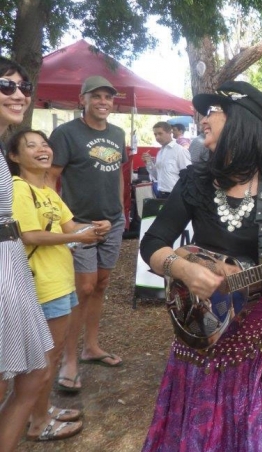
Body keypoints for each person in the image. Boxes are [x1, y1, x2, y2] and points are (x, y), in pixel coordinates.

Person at [140, 81, 262, 451]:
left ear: (240, 122)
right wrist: (183, 270)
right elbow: (152, 242)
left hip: (260, 339)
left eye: (213, 113)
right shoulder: (196, 181)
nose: (203, 121)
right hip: (202, 330)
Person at [7, 129, 109, 441]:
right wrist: (76, 237)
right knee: (43, 361)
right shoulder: (18, 188)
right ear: (14, 157)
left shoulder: (50, 192)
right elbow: (29, 235)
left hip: (60, 283)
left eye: (45, 144)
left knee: (50, 358)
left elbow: (70, 225)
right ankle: (38, 422)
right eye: (31, 145)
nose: (42, 149)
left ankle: (43, 409)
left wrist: (94, 228)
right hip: (40, 285)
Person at [48, 75, 126, 393]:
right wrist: (59, 225)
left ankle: (90, 347)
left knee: (101, 284)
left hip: (113, 223)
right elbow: (50, 179)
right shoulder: (65, 134)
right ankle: (69, 361)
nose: (103, 102)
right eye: (96, 97)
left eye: (108, 97)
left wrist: (120, 211)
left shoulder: (118, 134)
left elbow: (119, 173)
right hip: (78, 223)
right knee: (83, 287)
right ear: (83, 100)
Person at [0, 57, 53, 451]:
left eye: (23, 86)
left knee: (34, 373)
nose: (18, 93)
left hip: (11, 261)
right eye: (6, 85)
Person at [142, 121, 191, 199]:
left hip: (176, 195)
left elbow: (188, 176)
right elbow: (157, 176)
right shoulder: (160, 153)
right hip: (161, 193)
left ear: (169, 132)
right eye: (155, 134)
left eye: (160, 133)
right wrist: (148, 163)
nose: (157, 137)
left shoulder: (180, 151)